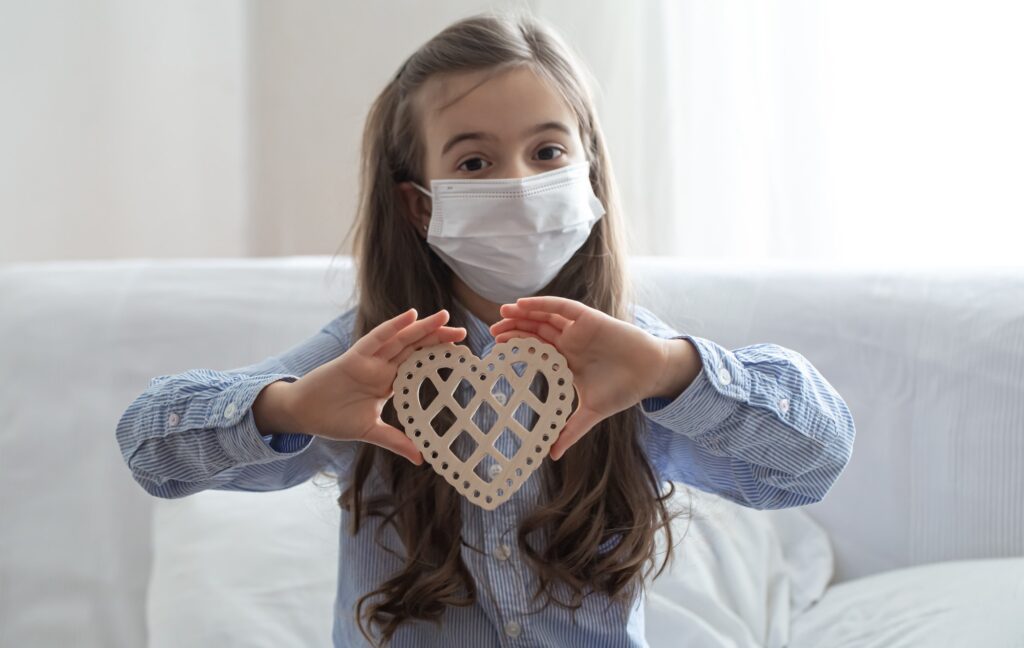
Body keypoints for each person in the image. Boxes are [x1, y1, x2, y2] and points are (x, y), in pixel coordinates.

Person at [116, 12, 855, 648]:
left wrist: (675, 372)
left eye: (547, 153)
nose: (518, 185)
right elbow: (151, 448)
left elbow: (813, 460)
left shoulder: (629, 362)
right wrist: (290, 409)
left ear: (590, 173)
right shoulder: (366, 363)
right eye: (474, 161)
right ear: (420, 205)